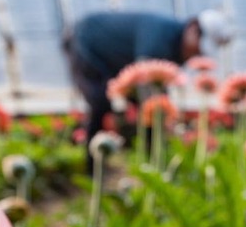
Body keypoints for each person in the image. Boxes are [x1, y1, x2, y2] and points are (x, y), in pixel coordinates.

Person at [62, 9, 233, 171]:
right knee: (100, 103)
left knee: (149, 110)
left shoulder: (177, 46)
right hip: (85, 42)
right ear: (193, 28)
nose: (196, 54)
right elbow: (146, 85)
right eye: (198, 48)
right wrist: (166, 117)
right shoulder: (160, 35)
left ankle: (151, 163)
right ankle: (93, 168)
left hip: (117, 61)